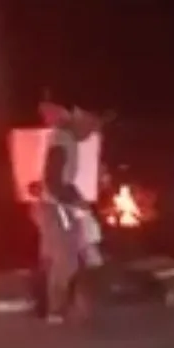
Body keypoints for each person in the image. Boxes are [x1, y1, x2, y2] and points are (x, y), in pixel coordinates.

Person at [34, 106, 102, 323]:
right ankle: (55, 309)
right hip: (57, 207)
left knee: (55, 257)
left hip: (53, 204)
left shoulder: (63, 138)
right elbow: (54, 179)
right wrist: (76, 200)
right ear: (79, 117)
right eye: (91, 126)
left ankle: (52, 307)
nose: (91, 133)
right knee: (66, 259)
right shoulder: (63, 140)